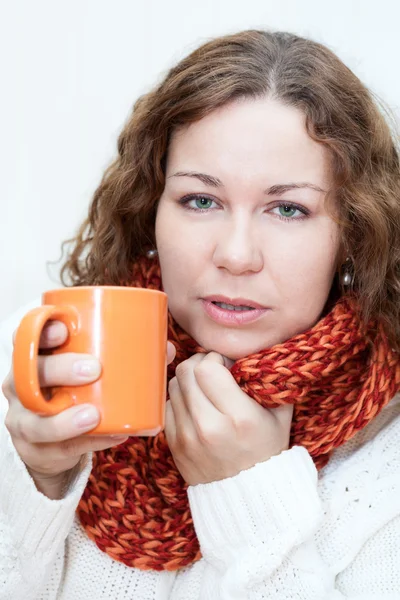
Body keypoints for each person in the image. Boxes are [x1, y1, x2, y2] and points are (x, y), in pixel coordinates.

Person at [1, 28, 400, 600]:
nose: (236, 255)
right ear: (150, 208)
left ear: (354, 234)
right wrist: (32, 477)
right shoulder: (38, 369)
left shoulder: (387, 456)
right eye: (201, 200)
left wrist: (252, 504)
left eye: (288, 208)